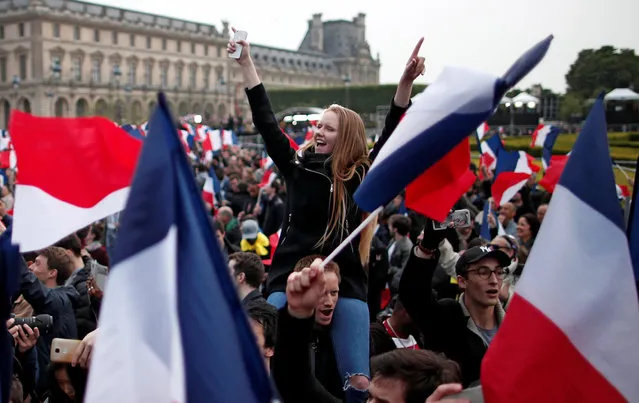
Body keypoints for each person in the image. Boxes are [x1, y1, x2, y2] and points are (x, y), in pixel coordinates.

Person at [229, 30, 426, 400]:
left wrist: (404, 84)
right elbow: (266, 121)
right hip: (290, 276)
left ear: (345, 137)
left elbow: (391, 134)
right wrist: (246, 63)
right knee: (269, 365)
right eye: (318, 125)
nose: (317, 131)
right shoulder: (297, 168)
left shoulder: (360, 177)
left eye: (327, 127)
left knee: (358, 380)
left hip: (345, 279)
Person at [399, 219, 511, 387]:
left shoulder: (514, 327)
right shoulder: (447, 317)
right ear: (462, 281)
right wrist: (427, 248)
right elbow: (414, 296)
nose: (494, 280)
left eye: (499, 272)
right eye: (483, 272)